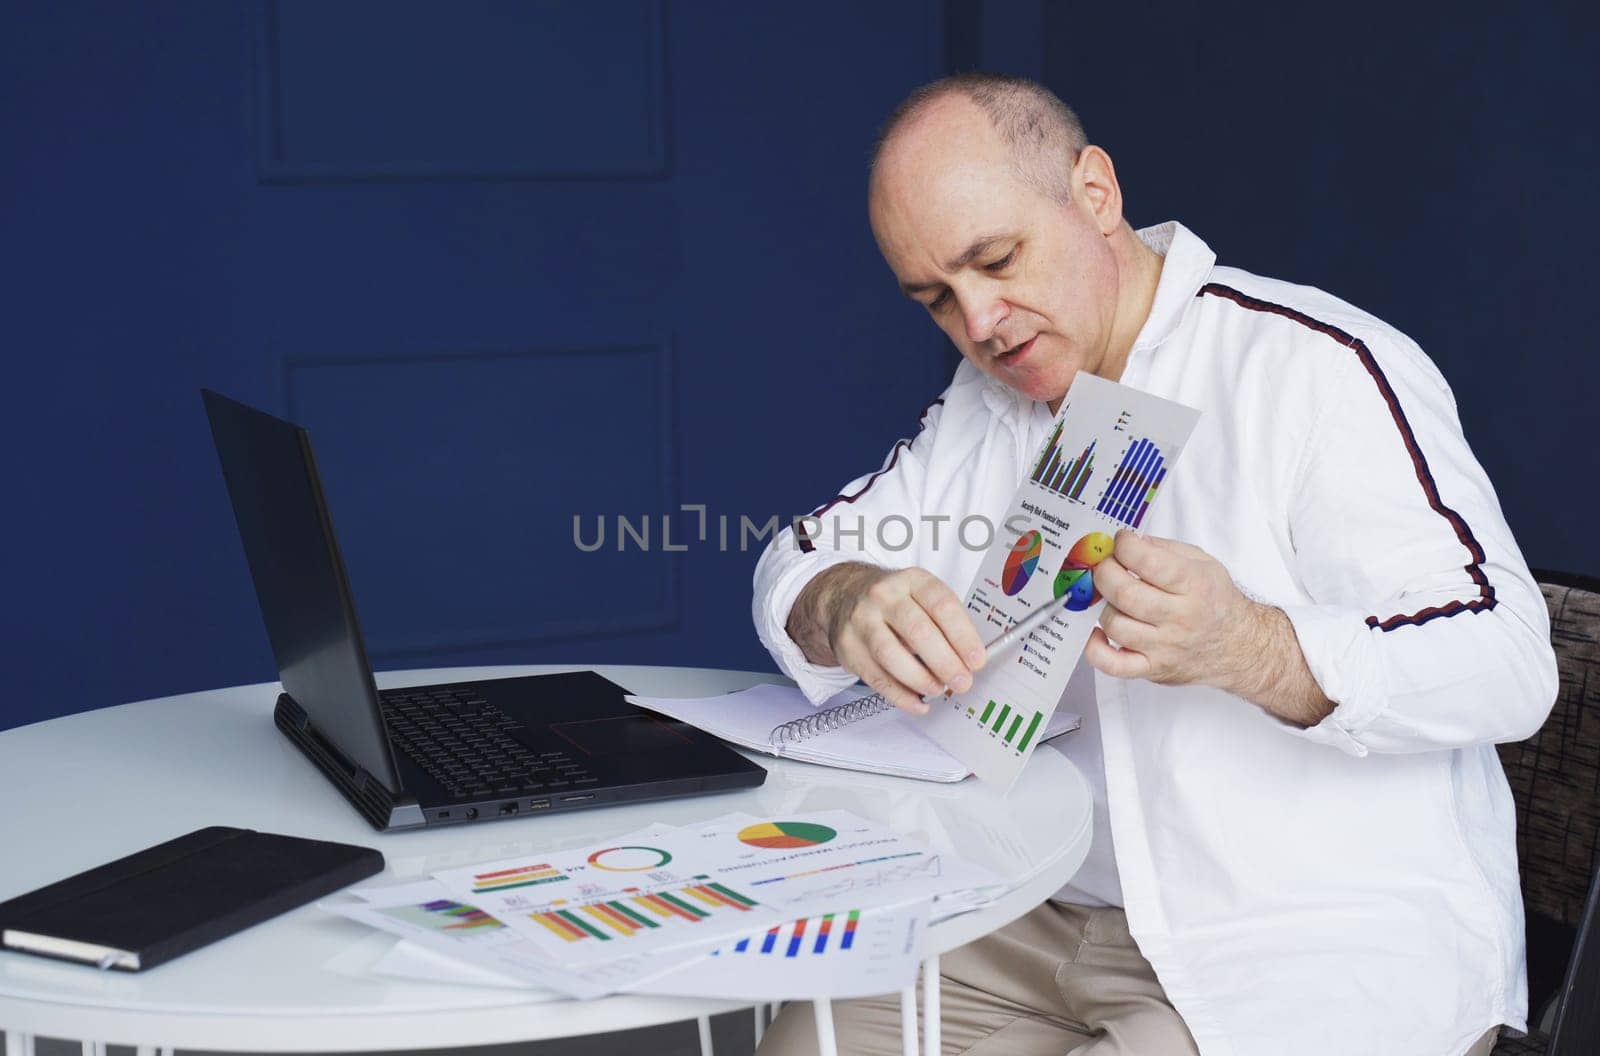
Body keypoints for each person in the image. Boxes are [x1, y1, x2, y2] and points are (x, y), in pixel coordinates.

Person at [750, 73, 1557, 1056]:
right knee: (809, 1039)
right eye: (936, 299)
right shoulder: (984, 401)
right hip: (1029, 907)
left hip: (1293, 935)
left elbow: (1508, 662)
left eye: (998, 260)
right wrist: (846, 600)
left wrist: (1253, 646)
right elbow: (803, 554)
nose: (981, 323)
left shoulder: (1314, 368)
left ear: (1093, 194)